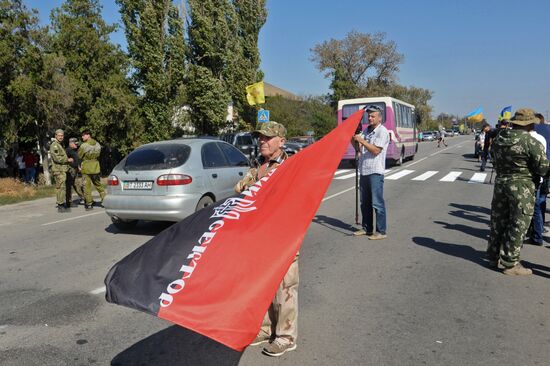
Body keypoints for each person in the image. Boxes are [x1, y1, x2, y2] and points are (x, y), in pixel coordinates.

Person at [234, 121, 298, 357]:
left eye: (268, 138)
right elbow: (239, 189)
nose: (262, 141)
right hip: (259, 237)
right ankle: (265, 329)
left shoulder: (290, 166)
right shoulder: (259, 166)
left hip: (283, 237)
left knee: (284, 290)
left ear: (282, 141)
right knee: (262, 287)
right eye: (260, 137)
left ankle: (286, 336)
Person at [487, 108, 549, 275]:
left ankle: (493, 256)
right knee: (518, 224)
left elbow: (493, 157)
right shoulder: (530, 142)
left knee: (498, 222)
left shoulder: (500, 138)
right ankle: (510, 263)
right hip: (522, 187)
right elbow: (543, 168)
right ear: (529, 125)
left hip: (500, 185)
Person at [352, 105, 390, 240]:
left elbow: (375, 150)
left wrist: (361, 140)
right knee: (365, 202)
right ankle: (367, 228)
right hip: (364, 169)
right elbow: (358, 147)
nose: (369, 118)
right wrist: (354, 138)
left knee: (377, 202)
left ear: (379, 118)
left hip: (375, 170)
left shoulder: (382, 132)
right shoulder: (366, 131)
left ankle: (381, 231)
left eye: (373, 116)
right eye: (368, 116)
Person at [78, 129, 106, 210]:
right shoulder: (97, 144)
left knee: (86, 186)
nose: (82, 137)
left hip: (86, 167)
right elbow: (99, 154)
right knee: (98, 184)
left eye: (83, 135)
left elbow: (79, 156)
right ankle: (104, 200)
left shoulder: (84, 146)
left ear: (88, 135)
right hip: (96, 166)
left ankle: (89, 204)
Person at [49, 129, 73, 213]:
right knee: (60, 187)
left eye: (62, 136)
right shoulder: (54, 145)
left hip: (62, 169)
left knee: (63, 187)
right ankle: (60, 205)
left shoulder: (60, 144)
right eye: (59, 135)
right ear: (55, 136)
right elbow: (57, 158)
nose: (61, 137)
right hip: (58, 170)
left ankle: (64, 203)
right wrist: (67, 159)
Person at [65, 137, 84, 207]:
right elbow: (64, 159)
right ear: (71, 143)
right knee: (69, 186)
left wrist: (78, 166)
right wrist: (68, 160)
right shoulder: (67, 150)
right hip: (70, 170)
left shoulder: (75, 150)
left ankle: (85, 199)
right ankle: (68, 202)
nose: (77, 145)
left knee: (77, 185)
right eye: (75, 144)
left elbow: (77, 159)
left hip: (75, 169)